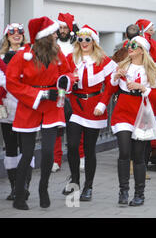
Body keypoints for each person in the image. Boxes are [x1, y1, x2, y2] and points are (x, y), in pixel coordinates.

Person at [6, 16, 75, 210]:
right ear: (44, 36)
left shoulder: (57, 52)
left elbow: (68, 73)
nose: (56, 35)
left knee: (47, 152)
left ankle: (43, 188)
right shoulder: (23, 55)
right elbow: (12, 82)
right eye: (53, 32)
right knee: (27, 154)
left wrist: (63, 83)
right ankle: (20, 195)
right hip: (30, 106)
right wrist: (40, 94)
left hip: (52, 107)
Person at [61, 25, 117, 201]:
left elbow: (111, 84)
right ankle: (75, 180)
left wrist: (103, 103)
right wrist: (70, 81)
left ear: (94, 41)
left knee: (89, 148)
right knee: (71, 145)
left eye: (87, 39)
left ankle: (88, 186)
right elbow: (61, 79)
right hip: (75, 105)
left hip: (94, 107)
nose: (84, 42)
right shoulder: (70, 58)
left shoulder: (103, 60)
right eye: (81, 39)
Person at [110, 36, 156, 206]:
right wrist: (116, 77)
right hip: (123, 112)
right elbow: (111, 88)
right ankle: (123, 191)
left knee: (139, 156)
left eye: (134, 45)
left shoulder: (152, 69)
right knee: (124, 152)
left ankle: (139, 193)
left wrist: (143, 88)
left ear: (142, 50)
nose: (130, 47)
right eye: (129, 45)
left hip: (142, 114)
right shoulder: (122, 66)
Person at [0, 23, 32, 202]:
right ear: (7, 36)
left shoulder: (29, 55)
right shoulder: (1, 58)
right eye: (12, 32)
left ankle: (24, 186)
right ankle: (14, 188)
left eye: (20, 32)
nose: (16, 35)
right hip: (6, 109)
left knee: (26, 149)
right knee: (11, 149)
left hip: (26, 108)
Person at [53, 12, 84, 174]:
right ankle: (55, 160)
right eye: (60, 28)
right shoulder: (52, 44)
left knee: (77, 125)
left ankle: (81, 157)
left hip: (74, 91)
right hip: (56, 91)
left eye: (65, 27)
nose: (63, 30)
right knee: (56, 127)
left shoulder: (77, 45)